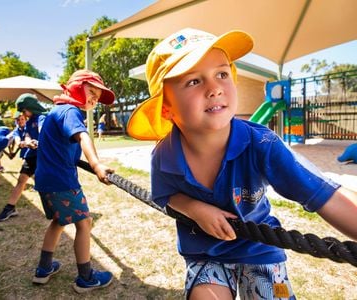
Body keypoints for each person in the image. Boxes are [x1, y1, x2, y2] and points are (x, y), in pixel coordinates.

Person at [127, 28, 357, 300]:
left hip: (260, 247)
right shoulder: (164, 154)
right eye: (193, 81)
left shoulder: (262, 144)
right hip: (205, 252)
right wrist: (195, 208)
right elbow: (165, 195)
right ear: (167, 107)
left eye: (222, 74)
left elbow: (324, 195)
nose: (214, 88)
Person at [33, 69, 115, 293]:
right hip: (62, 181)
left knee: (59, 221)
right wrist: (97, 164)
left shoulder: (56, 111)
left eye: (97, 97)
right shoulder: (70, 111)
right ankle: (86, 277)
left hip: (45, 180)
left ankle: (44, 268)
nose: (94, 99)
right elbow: (83, 136)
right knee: (84, 223)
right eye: (91, 91)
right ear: (77, 88)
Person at [0, 94, 47, 222]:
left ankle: (53, 208)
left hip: (44, 156)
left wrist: (39, 141)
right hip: (31, 156)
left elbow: (43, 132)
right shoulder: (29, 122)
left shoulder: (42, 118)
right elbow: (28, 135)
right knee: (21, 180)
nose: (23, 115)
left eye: (24, 111)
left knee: (45, 184)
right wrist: (29, 142)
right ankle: (10, 207)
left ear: (30, 107)